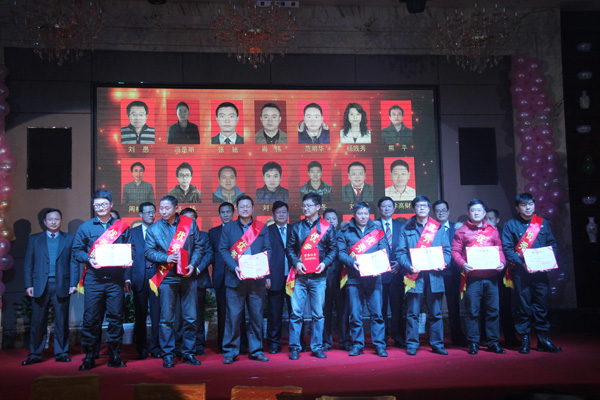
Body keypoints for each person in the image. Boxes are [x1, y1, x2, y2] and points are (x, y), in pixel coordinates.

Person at [145, 196, 210, 368]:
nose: (163, 211)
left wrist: (193, 264)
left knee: (191, 318)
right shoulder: (154, 229)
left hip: (188, 276)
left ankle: (189, 353)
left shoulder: (189, 224)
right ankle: (168, 354)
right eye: (161, 208)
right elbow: (149, 252)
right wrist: (166, 257)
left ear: (176, 208)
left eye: (167, 208)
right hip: (167, 278)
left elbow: (199, 247)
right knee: (166, 319)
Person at [72, 190, 131, 371]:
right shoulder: (86, 227)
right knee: (91, 319)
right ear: (93, 206)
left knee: (116, 318)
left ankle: (115, 355)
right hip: (94, 280)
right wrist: (88, 259)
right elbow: (77, 251)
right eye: (97, 205)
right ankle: (90, 356)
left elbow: (131, 248)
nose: (101, 207)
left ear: (111, 205)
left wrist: (128, 260)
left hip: (115, 280)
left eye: (104, 204)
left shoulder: (122, 227)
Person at [501, 193, 562, 354]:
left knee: (541, 306)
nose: (527, 208)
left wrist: (549, 260)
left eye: (530, 204)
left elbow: (552, 243)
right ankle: (525, 340)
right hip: (521, 273)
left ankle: (543, 340)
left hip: (540, 272)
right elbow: (507, 249)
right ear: (517, 207)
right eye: (523, 205)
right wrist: (522, 263)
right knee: (523, 306)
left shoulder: (542, 223)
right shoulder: (510, 225)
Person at [219, 195, 271, 364]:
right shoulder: (229, 228)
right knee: (233, 317)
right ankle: (230, 351)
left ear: (253, 208)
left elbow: (268, 249)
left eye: (248, 206)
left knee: (256, 317)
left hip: (257, 279)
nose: (245, 209)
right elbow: (223, 250)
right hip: (235, 278)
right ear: (237, 209)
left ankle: (256, 350)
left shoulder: (261, 227)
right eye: (242, 206)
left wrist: (263, 269)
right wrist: (234, 266)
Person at [285, 193, 337, 360]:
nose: (305, 208)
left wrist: (325, 263)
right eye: (304, 206)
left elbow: (333, 250)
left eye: (309, 205)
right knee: (296, 314)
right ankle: (295, 347)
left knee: (318, 314)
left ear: (318, 207)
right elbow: (289, 248)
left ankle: (317, 347)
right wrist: (296, 262)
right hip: (300, 276)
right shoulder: (296, 227)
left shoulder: (327, 227)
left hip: (318, 277)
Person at [451, 198, 506, 355]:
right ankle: (473, 342)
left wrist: (502, 262)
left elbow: (499, 248)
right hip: (472, 278)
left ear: (484, 213)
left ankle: (493, 342)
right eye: (473, 210)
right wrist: (462, 264)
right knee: (472, 311)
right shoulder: (461, 231)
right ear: (468, 213)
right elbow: (455, 252)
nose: (476, 213)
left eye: (479, 210)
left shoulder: (492, 230)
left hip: (491, 277)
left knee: (493, 311)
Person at [397, 195, 451, 356]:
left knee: (436, 312)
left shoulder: (438, 228)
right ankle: (412, 343)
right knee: (412, 312)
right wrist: (408, 266)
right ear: (414, 209)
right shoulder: (406, 228)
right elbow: (400, 252)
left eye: (424, 206)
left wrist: (444, 263)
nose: (421, 208)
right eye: (418, 206)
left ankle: (437, 344)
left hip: (435, 276)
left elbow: (447, 251)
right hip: (415, 276)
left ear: (429, 209)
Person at [22, 209, 76, 366]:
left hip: (62, 284)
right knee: (37, 322)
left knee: (61, 321)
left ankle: (62, 353)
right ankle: (35, 354)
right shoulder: (34, 239)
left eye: (56, 219)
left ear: (61, 221)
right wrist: (29, 284)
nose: (53, 222)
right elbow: (28, 264)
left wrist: (73, 283)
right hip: (40, 285)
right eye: (50, 219)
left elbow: (73, 262)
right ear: (44, 222)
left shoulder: (69, 239)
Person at [338, 202, 388, 357]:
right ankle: (357, 345)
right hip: (354, 279)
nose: (363, 216)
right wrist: (352, 262)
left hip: (374, 279)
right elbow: (340, 253)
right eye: (360, 213)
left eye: (366, 213)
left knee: (377, 314)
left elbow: (384, 250)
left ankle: (379, 345)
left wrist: (379, 267)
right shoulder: (345, 231)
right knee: (355, 315)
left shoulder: (377, 231)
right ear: (354, 214)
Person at [208, 203, 249, 354]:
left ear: (233, 214)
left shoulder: (240, 230)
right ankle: (223, 345)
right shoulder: (213, 232)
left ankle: (242, 345)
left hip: (239, 275)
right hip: (220, 276)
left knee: (240, 312)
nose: (225, 215)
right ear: (219, 215)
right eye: (223, 212)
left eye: (228, 212)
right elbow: (211, 254)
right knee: (223, 312)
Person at [124, 202, 161, 360]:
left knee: (157, 315)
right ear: (140, 214)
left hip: (157, 276)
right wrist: (127, 277)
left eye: (153, 212)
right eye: (147, 212)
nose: (151, 215)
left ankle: (156, 347)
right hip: (138, 276)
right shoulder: (132, 232)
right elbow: (128, 256)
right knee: (140, 315)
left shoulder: (161, 230)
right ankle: (141, 348)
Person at [432, 200, 466, 347]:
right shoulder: (429, 230)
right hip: (435, 274)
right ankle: (436, 339)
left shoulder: (457, 228)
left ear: (448, 211)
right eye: (438, 210)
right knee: (435, 308)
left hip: (454, 274)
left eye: (444, 210)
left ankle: (457, 337)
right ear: (434, 213)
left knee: (454, 307)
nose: (441, 213)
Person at [485, 208, 520, 347]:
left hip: (503, 276)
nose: (487, 221)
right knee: (486, 307)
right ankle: (486, 338)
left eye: (491, 219)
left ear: (497, 220)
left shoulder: (503, 233)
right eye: (485, 218)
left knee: (505, 307)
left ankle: (510, 338)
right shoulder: (479, 234)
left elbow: (509, 250)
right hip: (485, 276)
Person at [376, 196, 407, 348]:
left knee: (397, 308)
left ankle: (398, 336)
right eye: (384, 206)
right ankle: (382, 337)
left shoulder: (402, 226)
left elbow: (408, 248)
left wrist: (401, 264)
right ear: (379, 209)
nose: (387, 209)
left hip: (396, 273)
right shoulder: (373, 226)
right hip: (379, 274)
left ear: (394, 209)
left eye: (389, 206)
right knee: (380, 308)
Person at [322, 208, 350, 351]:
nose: (331, 221)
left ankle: (344, 340)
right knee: (324, 310)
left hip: (341, 277)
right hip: (323, 277)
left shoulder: (343, 235)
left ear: (338, 221)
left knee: (343, 310)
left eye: (333, 219)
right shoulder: (318, 236)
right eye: (328, 219)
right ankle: (326, 341)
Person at [265, 201, 290, 354]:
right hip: (274, 277)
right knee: (274, 313)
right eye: (278, 212)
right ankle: (274, 343)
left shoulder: (294, 230)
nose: (281, 215)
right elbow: (264, 254)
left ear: (288, 214)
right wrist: (266, 275)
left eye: (284, 212)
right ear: (273, 215)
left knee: (296, 312)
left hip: (293, 277)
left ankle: (297, 342)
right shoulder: (267, 231)